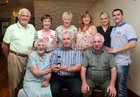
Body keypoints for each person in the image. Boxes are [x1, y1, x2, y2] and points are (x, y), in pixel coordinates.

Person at [1, 8, 36, 97]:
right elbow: (4, 46)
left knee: (28, 81)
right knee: (14, 83)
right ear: (18, 17)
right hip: (15, 58)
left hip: (29, 58)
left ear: (29, 17)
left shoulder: (32, 27)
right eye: (23, 15)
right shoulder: (11, 28)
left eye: (27, 16)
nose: (25, 17)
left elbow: (35, 42)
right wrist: (8, 57)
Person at [108, 9, 138, 97]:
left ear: (122, 15)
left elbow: (133, 43)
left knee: (121, 89)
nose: (116, 17)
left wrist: (117, 50)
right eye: (114, 15)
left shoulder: (128, 27)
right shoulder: (114, 29)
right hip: (113, 62)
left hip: (122, 63)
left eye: (118, 14)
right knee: (114, 87)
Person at [50, 31, 83, 97]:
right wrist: (54, 68)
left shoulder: (77, 51)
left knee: (77, 92)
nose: (66, 41)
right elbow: (52, 65)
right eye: (64, 39)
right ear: (61, 41)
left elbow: (78, 66)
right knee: (53, 91)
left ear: (72, 40)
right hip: (58, 77)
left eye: (68, 39)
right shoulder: (56, 51)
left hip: (73, 77)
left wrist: (67, 69)